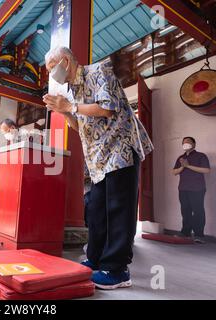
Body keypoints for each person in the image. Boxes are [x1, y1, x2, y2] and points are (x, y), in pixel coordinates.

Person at [43, 47, 154, 290]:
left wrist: (70, 107)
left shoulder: (98, 71)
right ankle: (95, 259)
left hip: (120, 148)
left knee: (118, 209)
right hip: (98, 157)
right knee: (96, 210)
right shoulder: (72, 90)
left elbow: (107, 107)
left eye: (52, 67)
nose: (51, 73)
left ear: (65, 61)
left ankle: (117, 270)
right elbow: (78, 125)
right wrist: (63, 110)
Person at [172, 137, 210, 244]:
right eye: (184, 143)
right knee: (185, 211)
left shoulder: (201, 156)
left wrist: (188, 166)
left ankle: (199, 235)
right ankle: (185, 233)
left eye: (188, 142)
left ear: (194, 144)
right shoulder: (181, 158)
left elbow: (207, 170)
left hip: (197, 188)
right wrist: (183, 167)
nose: (186, 144)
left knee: (198, 211)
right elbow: (174, 172)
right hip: (183, 188)